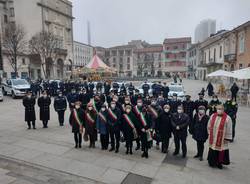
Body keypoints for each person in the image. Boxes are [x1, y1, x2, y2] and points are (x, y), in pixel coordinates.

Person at [207, 104, 232, 169]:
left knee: (220, 150)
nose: (219, 110)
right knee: (212, 149)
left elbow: (229, 128)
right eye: (218, 109)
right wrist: (209, 133)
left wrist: (227, 138)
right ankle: (212, 162)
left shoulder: (227, 118)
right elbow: (209, 125)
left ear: (223, 110)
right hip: (213, 137)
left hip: (222, 138)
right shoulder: (213, 115)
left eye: (221, 109)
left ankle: (219, 163)